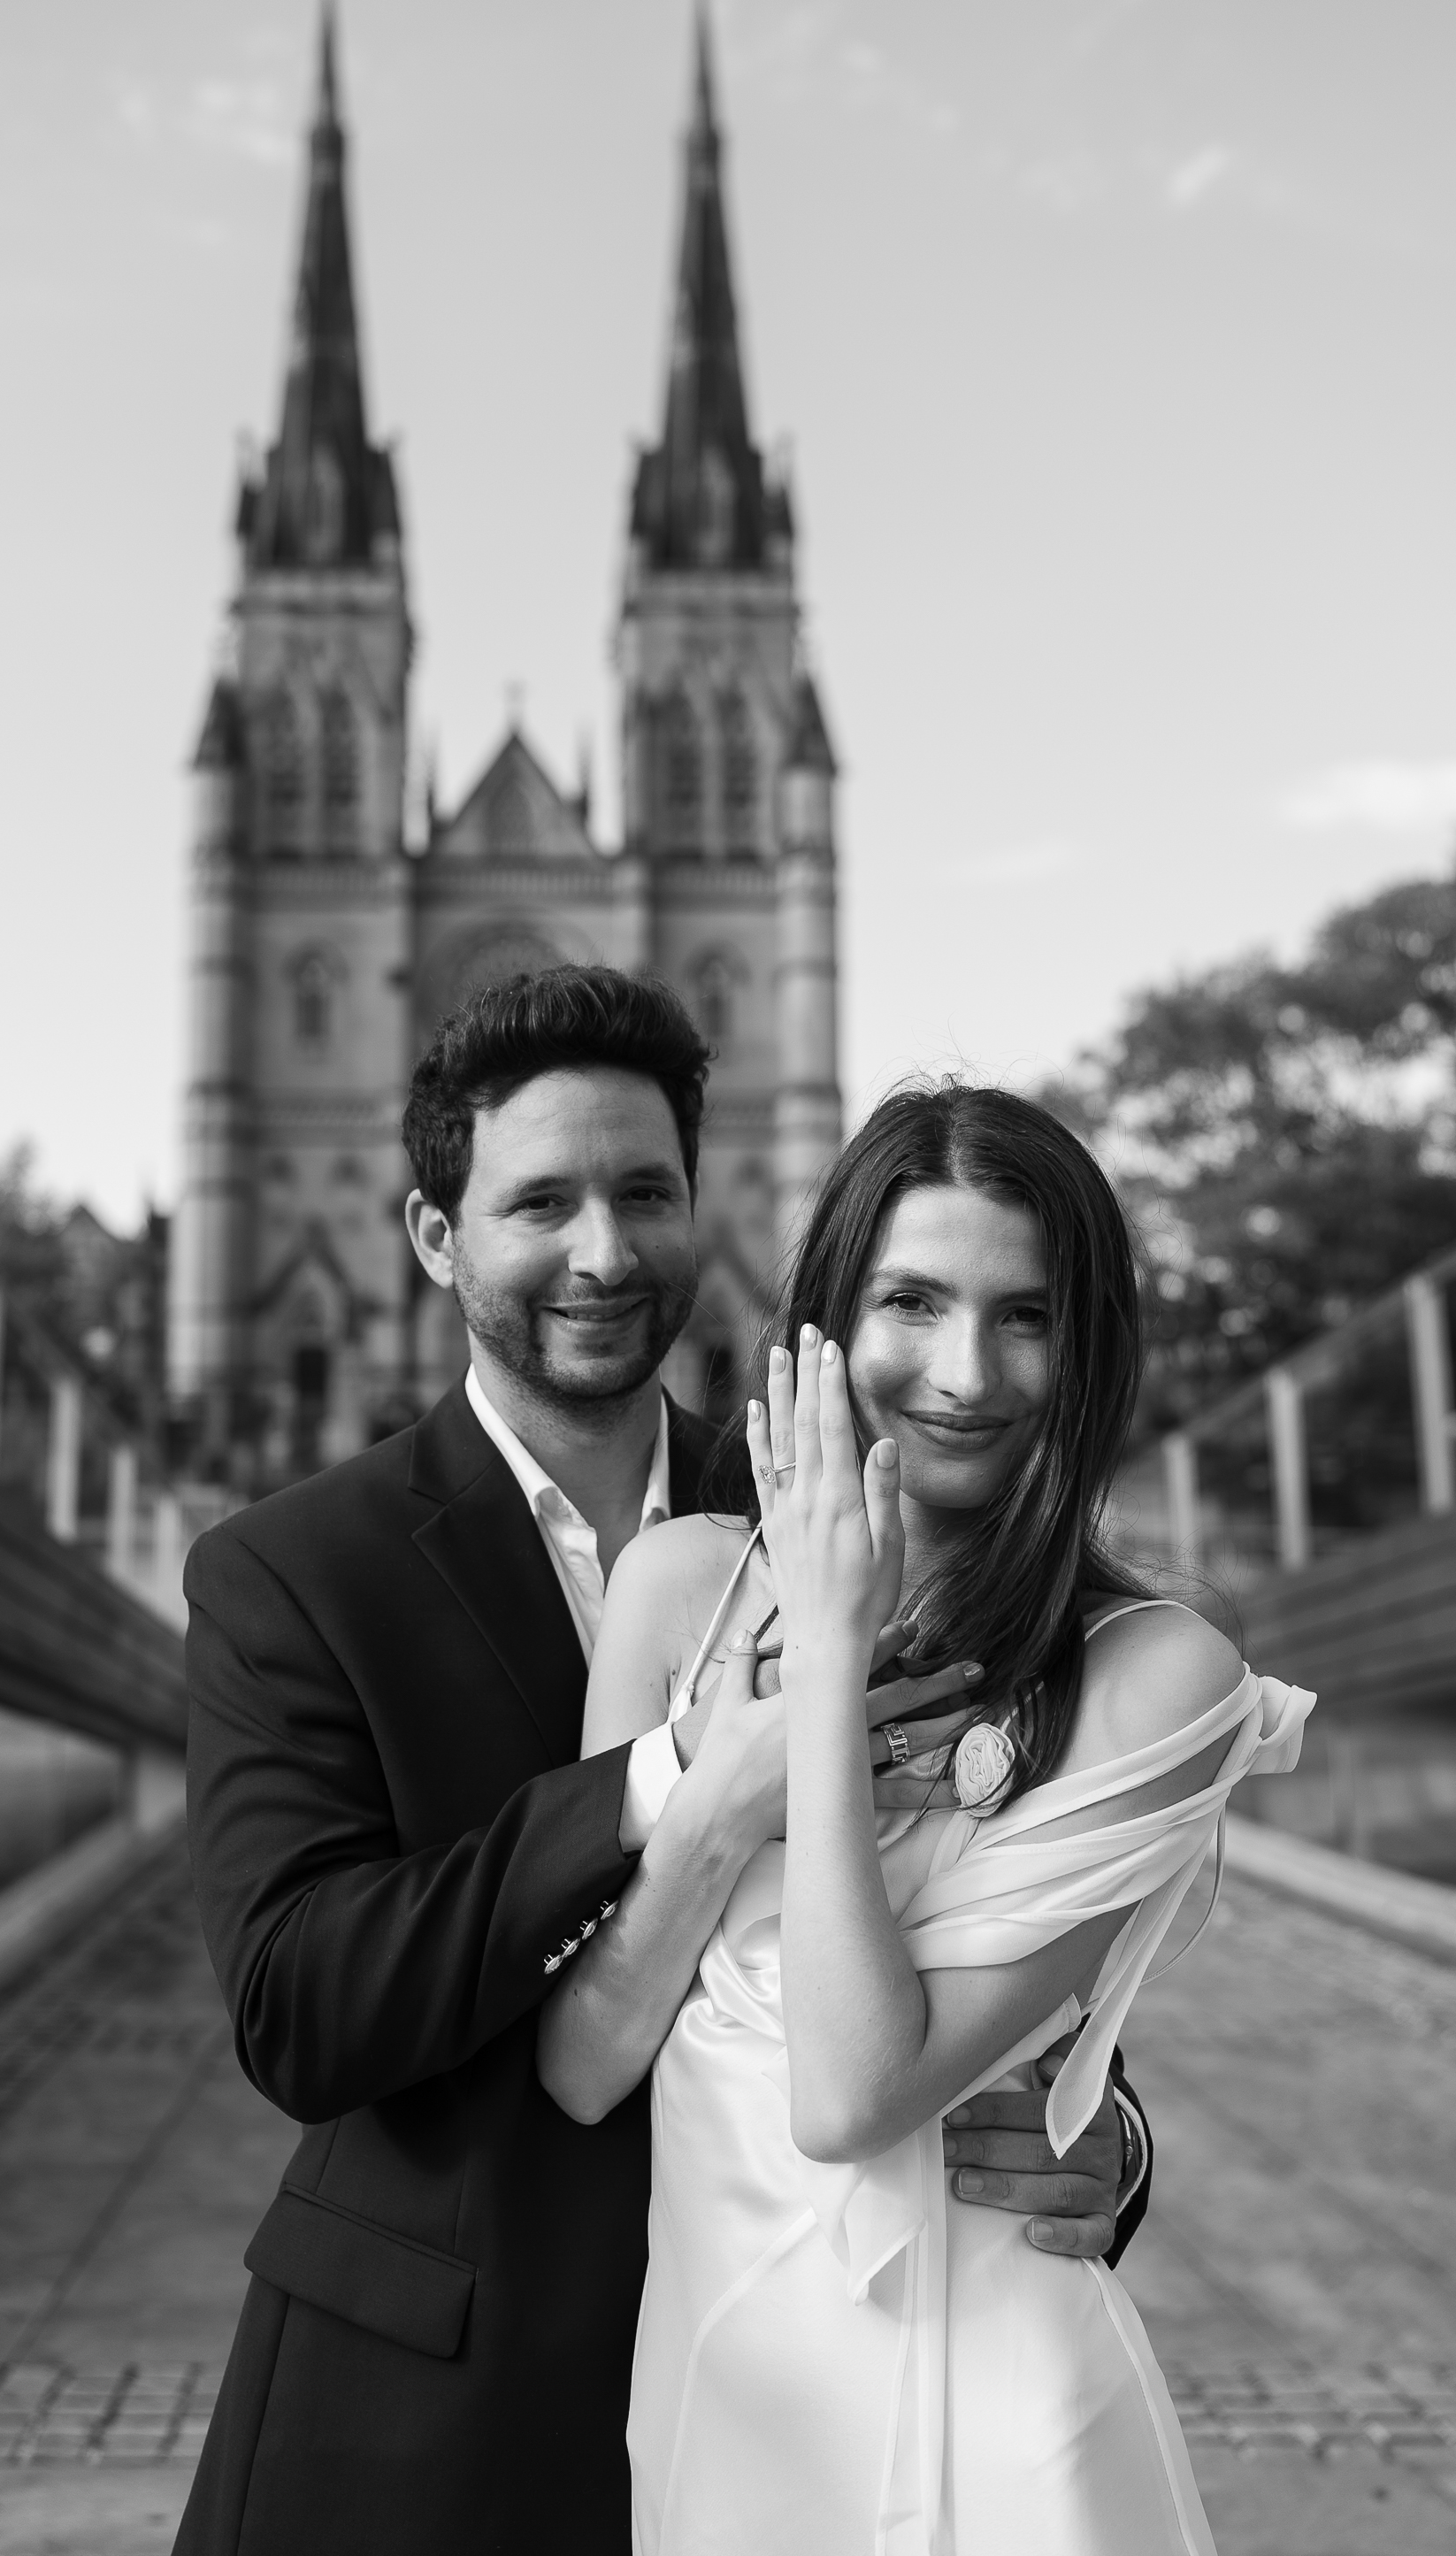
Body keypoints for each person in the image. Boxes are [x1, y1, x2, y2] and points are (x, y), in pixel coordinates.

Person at [173, 976, 1151, 2556]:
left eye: (645, 1194)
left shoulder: (854, 1513)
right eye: (540, 1203)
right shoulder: (291, 1572)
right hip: (437, 2401)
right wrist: (676, 1775)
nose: (605, 1253)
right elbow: (302, 2007)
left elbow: (984, 1915)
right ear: (435, 1236)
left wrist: (1101, 2132)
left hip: (809, 2390)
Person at [540, 1082, 1313, 2555]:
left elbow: (850, 2096)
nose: (966, 1374)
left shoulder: (1160, 1666)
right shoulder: (674, 1590)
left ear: (1088, 1349)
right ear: (827, 1317)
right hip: (723, 2406)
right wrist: (721, 1806)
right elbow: (580, 2068)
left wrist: (831, 1660)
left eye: (1028, 1317)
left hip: (1000, 2414)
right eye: (912, 1300)